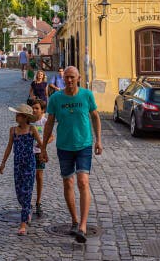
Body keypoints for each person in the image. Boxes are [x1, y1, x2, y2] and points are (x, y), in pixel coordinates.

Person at [40, 66, 103, 244]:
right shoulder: (55, 98)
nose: (69, 80)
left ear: (78, 78)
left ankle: (83, 225)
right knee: (68, 182)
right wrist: (43, 147)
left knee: (83, 181)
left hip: (84, 144)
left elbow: (95, 116)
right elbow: (49, 123)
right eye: (66, 77)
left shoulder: (86, 95)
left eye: (72, 77)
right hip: (64, 146)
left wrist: (98, 140)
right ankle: (74, 220)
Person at [0, 104, 42, 236]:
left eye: (18, 114)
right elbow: (9, 147)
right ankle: (27, 209)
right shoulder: (13, 130)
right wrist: (3, 163)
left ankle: (23, 223)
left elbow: (40, 144)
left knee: (27, 191)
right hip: (17, 165)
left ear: (25, 117)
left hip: (30, 163)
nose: (16, 116)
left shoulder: (32, 129)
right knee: (19, 193)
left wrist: (43, 154)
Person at [30, 99, 52, 218]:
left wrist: (43, 144)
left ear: (42, 110)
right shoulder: (29, 122)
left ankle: (38, 202)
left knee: (39, 177)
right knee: (29, 177)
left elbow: (51, 137)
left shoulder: (45, 121)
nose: (34, 110)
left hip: (39, 153)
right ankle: (28, 202)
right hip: (29, 153)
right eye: (33, 108)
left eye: (37, 108)